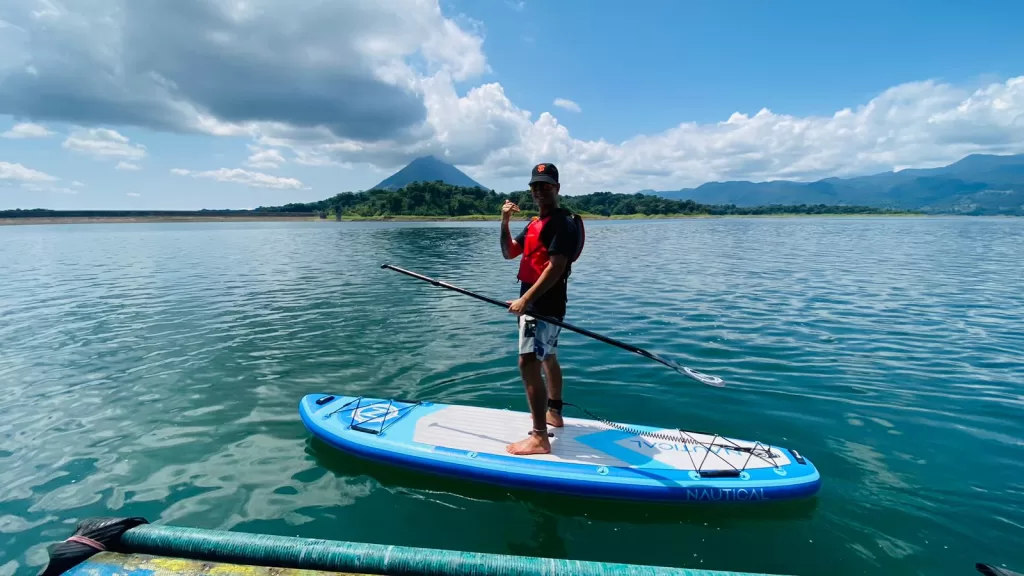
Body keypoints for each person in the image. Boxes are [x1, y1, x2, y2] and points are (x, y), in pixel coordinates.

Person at [500, 162, 580, 456]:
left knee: (528, 363)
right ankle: (554, 413)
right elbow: (510, 253)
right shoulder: (535, 224)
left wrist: (525, 301)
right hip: (539, 305)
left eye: (546, 185)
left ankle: (539, 437)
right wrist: (504, 222)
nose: (540, 191)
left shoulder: (563, 223)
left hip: (543, 307)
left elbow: (556, 268)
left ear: (557, 188)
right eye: (536, 186)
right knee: (548, 358)